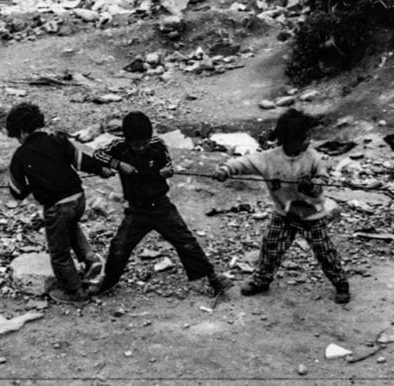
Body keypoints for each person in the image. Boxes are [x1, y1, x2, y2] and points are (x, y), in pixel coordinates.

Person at [213, 108, 351, 304]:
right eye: (303, 137)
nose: (307, 140)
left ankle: (340, 283)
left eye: (307, 136)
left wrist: (313, 187)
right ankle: (261, 280)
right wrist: (226, 170)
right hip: (284, 213)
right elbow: (244, 163)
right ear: (286, 140)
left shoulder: (313, 158)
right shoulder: (269, 158)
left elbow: (322, 180)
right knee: (271, 247)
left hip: (312, 216)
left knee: (324, 250)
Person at [90, 111, 229, 297]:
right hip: (136, 210)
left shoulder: (157, 144)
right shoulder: (119, 146)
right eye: (136, 144)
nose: (141, 148)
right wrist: (118, 164)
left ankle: (212, 278)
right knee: (119, 246)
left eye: (144, 143)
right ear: (127, 139)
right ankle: (108, 281)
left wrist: (167, 171)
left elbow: (169, 165)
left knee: (186, 241)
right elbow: (97, 154)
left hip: (162, 206)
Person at [6, 102, 109, 303]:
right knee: (71, 227)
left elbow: (16, 191)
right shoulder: (59, 141)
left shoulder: (21, 155)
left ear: (20, 132)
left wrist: (30, 186)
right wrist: (102, 169)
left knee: (59, 253)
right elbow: (81, 161)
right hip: (78, 199)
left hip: (56, 206)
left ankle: (74, 291)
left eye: (16, 136)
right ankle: (90, 260)